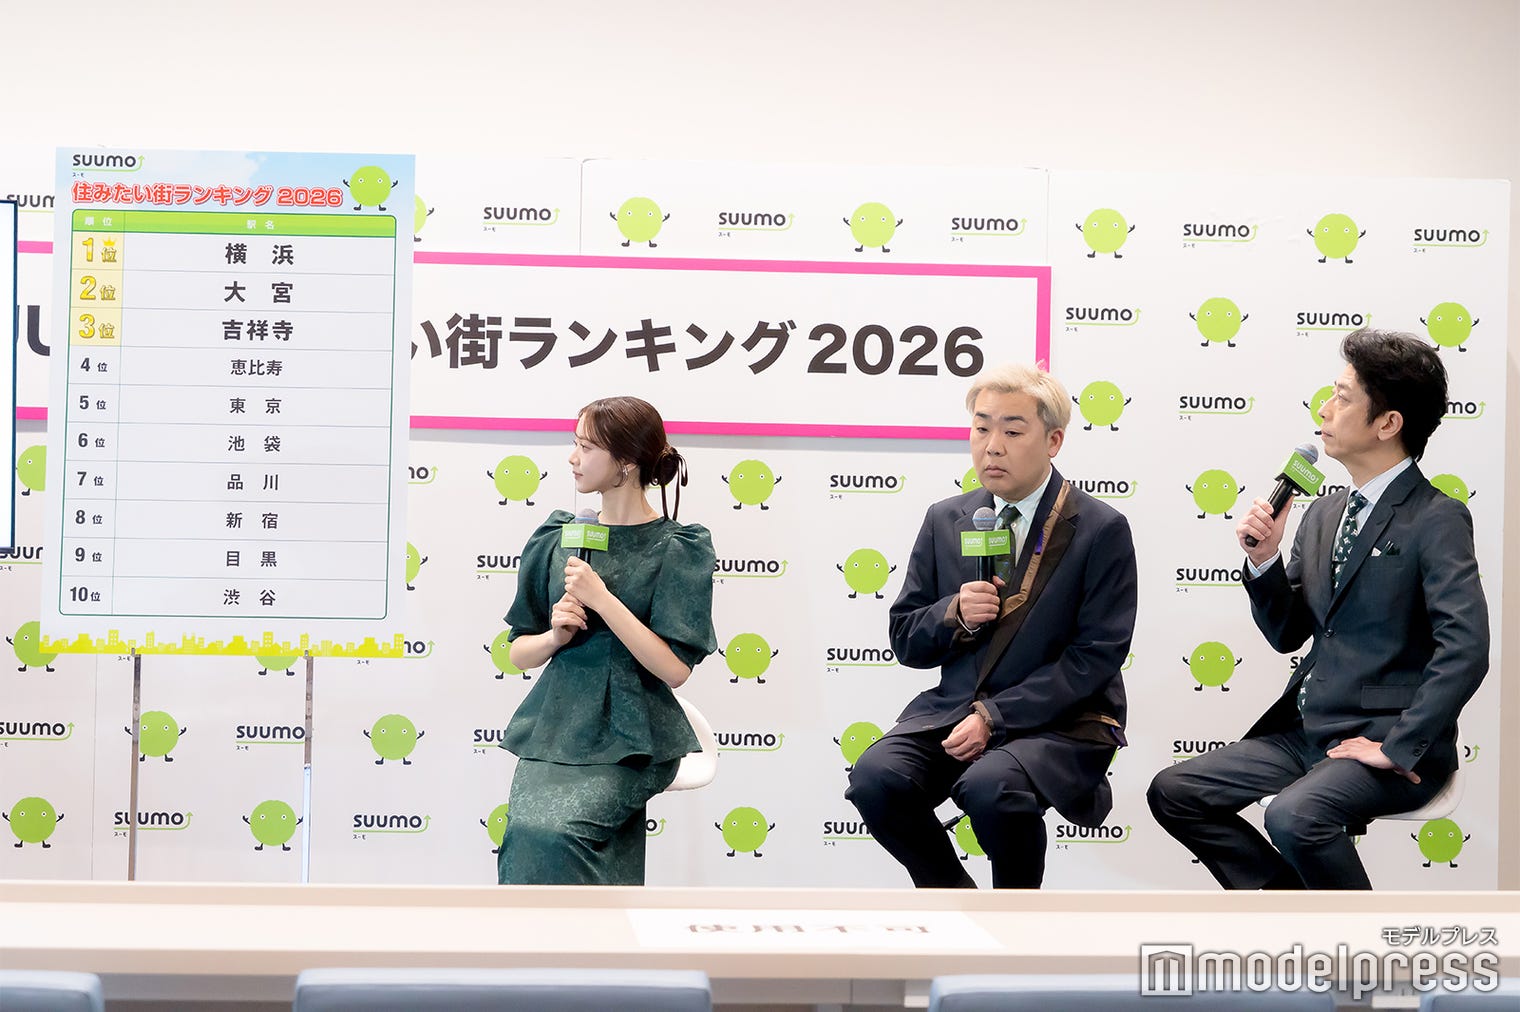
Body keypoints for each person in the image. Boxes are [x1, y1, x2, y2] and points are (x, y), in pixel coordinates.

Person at [1148, 327, 1489, 890]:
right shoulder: (1324, 513)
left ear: (1388, 423)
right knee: (1175, 791)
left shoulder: (1437, 517)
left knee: (1295, 815)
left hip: (1389, 741)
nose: (1324, 410)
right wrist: (1264, 559)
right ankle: (1291, 909)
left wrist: (1399, 745)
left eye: (1343, 397)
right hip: (1307, 733)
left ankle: (1359, 942)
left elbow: (1466, 648)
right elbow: (1287, 634)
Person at [846, 364, 1137, 888]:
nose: (992, 447)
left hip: (1060, 720)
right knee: (875, 778)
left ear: (1053, 441)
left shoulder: (1100, 528)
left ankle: (1016, 914)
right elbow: (905, 637)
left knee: (990, 785)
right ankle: (955, 901)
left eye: (1012, 431)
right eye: (981, 428)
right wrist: (953, 613)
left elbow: (1095, 656)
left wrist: (995, 716)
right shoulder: (946, 519)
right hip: (955, 711)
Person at [496, 396, 716, 885]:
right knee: (527, 832)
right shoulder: (558, 536)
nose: (572, 458)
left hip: (635, 736)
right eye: (574, 444)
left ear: (627, 463)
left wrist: (603, 599)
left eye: (587, 447)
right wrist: (554, 636)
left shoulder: (677, 547)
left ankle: (592, 932)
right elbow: (518, 652)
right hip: (556, 725)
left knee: (561, 833)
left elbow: (675, 670)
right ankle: (544, 935)